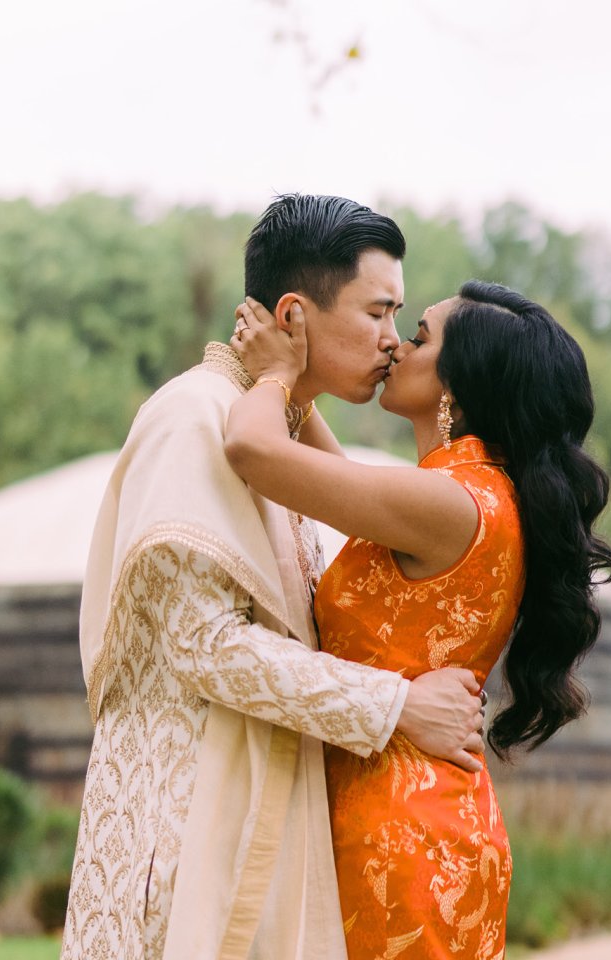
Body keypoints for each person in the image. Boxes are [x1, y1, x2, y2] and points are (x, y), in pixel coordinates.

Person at [61, 195, 488, 960]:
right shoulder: (192, 419)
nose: (394, 342)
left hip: (253, 828)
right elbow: (204, 646)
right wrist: (396, 707)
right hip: (184, 842)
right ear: (294, 315)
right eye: (379, 314)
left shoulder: (267, 431)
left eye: (400, 320)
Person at [226, 280, 611, 960]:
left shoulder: (447, 502)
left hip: (397, 836)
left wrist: (278, 374)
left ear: (457, 388)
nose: (395, 343)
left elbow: (255, 454)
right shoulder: (474, 495)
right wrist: (301, 373)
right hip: (421, 817)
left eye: (420, 336)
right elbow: (329, 478)